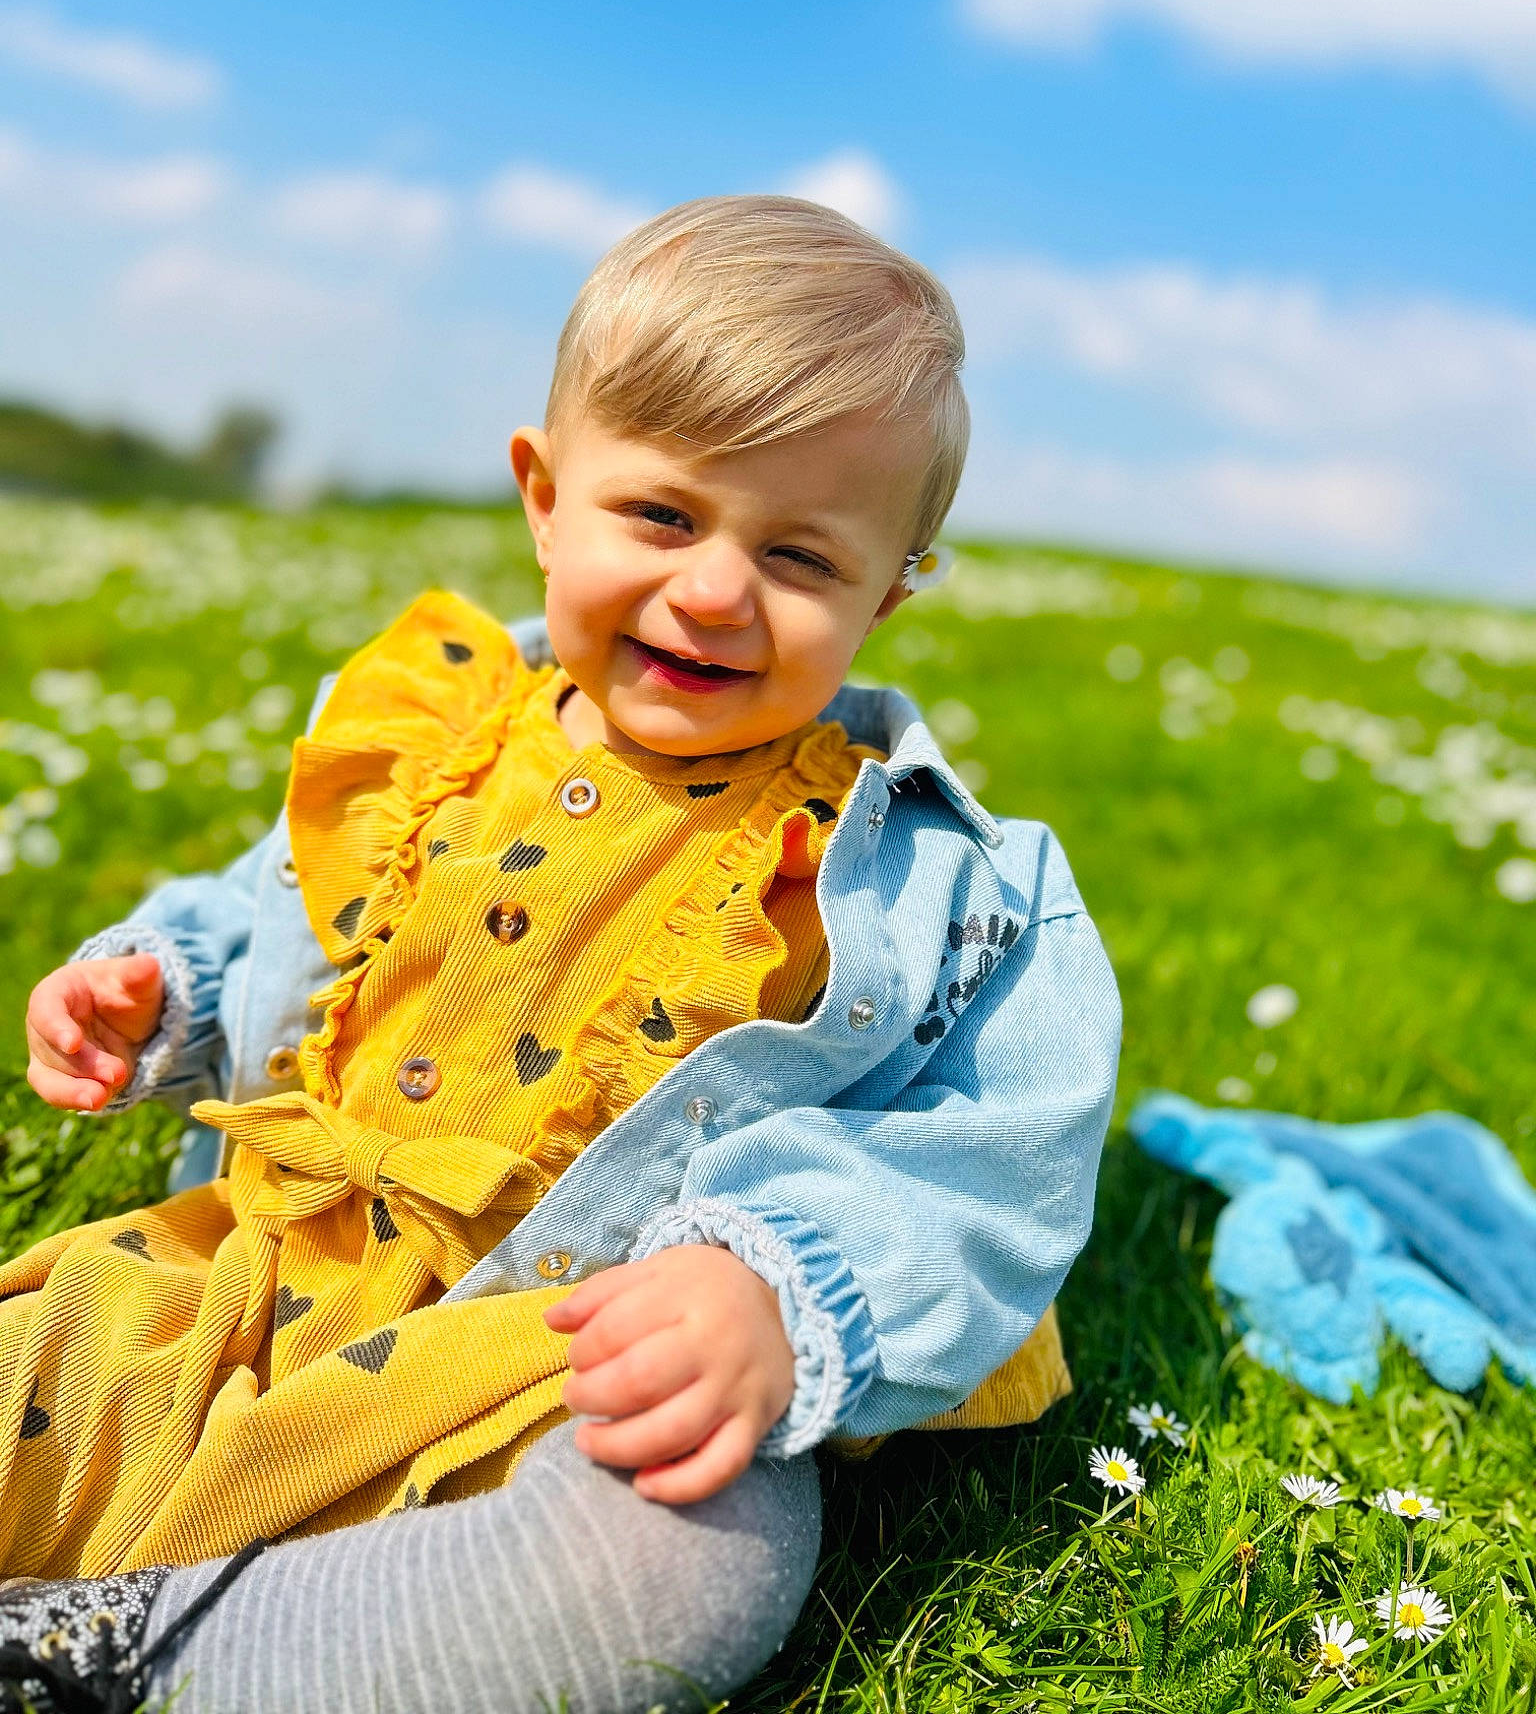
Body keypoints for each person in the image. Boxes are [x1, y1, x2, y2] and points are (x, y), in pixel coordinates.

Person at [0, 197, 1121, 1714]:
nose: (715, 590)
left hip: (567, 1353)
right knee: (39, 1368)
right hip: (251, 1289)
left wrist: (773, 1294)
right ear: (545, 497)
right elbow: (287, 906)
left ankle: (126, 1656)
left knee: (690, 1550)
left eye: (799, 555)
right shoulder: (436, 732)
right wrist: (159, 990)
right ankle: (149, 1616)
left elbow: (993, 1156)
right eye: (662, 517)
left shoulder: (923, 879)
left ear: (891, 590)